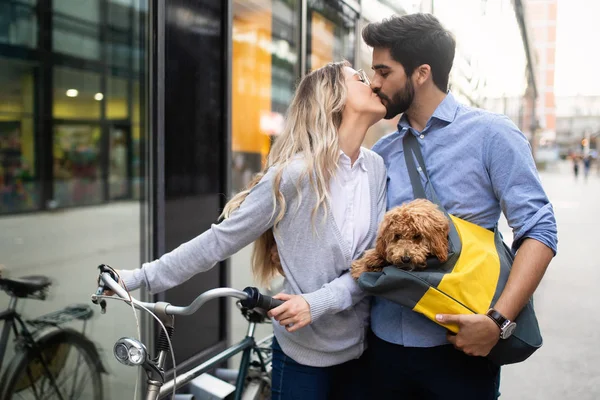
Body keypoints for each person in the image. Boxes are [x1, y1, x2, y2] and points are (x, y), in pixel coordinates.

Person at [110, 61, 388, 400]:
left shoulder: (374, 168)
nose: (372, 84)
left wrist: (316, 303)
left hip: (362, 351)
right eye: (359, 78)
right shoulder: (293, 177)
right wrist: (137, 278)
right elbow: (218, 241)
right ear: (335, 99)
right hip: (305, 358)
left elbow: (370, 264)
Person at [360, 13, 558, 399]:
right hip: (381, 348)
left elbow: (539, 229)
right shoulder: (380, 151)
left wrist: (498, 321)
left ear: (421, 73)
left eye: (384, 71)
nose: (376, 83)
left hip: (459, 353)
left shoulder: (491, 134)